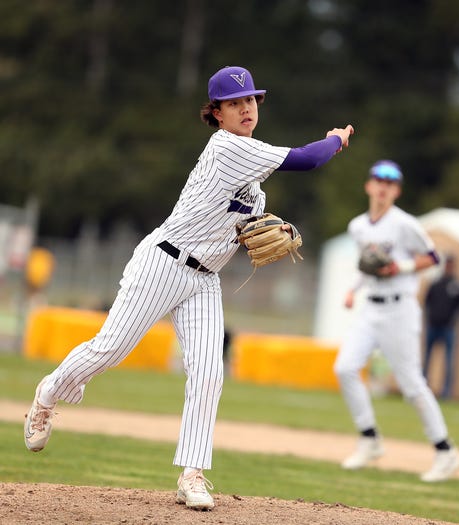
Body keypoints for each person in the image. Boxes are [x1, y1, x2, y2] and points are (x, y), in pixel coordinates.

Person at [23, 65, 354, 511]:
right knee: (110, 349)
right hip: (163, 263)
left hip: (203, 279)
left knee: (209, 370)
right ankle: (49, 392)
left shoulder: (256, 188)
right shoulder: (226, 148)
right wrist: (336, 139)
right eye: (234, 103)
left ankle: (192, 474)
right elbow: (307, 158)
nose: (245, 109)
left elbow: (240, 225)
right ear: (216, 113)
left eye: (251, 100)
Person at [333, 160, 459, 483]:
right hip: (371, 307)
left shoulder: (404, 224)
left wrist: (399, 268)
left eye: (390, 183)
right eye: (378, 180)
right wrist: (352, 290)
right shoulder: (358, 226)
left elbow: (432, 257)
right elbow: (367, 266)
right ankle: (369, 438)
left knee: (411, 385)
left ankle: (446, 451)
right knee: (345, 368)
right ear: (368, 186)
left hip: (400, 309)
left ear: (397, 191)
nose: (383, 187)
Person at [422, 253, 459, 399]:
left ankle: (447, 391)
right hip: (433, 325)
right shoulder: (436, 283)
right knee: (427, 358)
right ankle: (422, 387)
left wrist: (454, 322)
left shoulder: (458, 285)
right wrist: (429, 319)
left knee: (448, 360)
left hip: (448, 327)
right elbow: (427, 301)